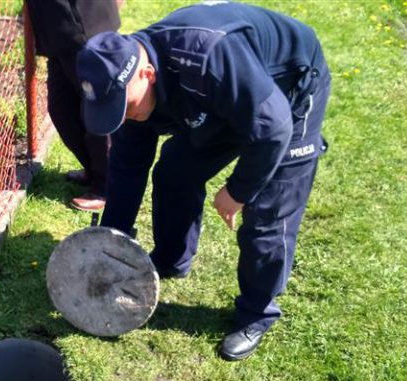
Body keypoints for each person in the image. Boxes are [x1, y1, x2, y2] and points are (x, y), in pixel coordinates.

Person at [76, 1, 331, 360]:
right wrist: (112, 241)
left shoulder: (207, 57)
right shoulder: (130, 95)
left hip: (288, 90)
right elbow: (127, 168)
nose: (124, 116)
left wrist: (237, 192)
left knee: (267, 215)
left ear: (147, 74)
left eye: (126, 106)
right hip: (222, 100)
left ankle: (256, 312)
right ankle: (170, 260)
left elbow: (273, 129)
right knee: (175, 172)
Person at [25, 0, 124, 211]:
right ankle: (93, 169)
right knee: (61, 108)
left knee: (95, 109)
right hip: (58, 30)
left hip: (83, 24)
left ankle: (107, 186)